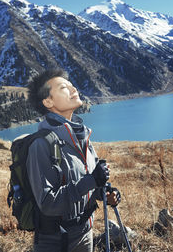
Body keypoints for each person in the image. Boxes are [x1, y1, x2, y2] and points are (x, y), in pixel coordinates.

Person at [26, 69, 121, 252]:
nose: (73, 89)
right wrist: (91, 180)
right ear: (48, 102)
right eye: (64, 87)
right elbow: (48, 204)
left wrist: (105, 193)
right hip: (54, 241)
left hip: (85, 233)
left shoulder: (82, 136)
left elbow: (85, 187)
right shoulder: (41, 144)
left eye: (71, 85)